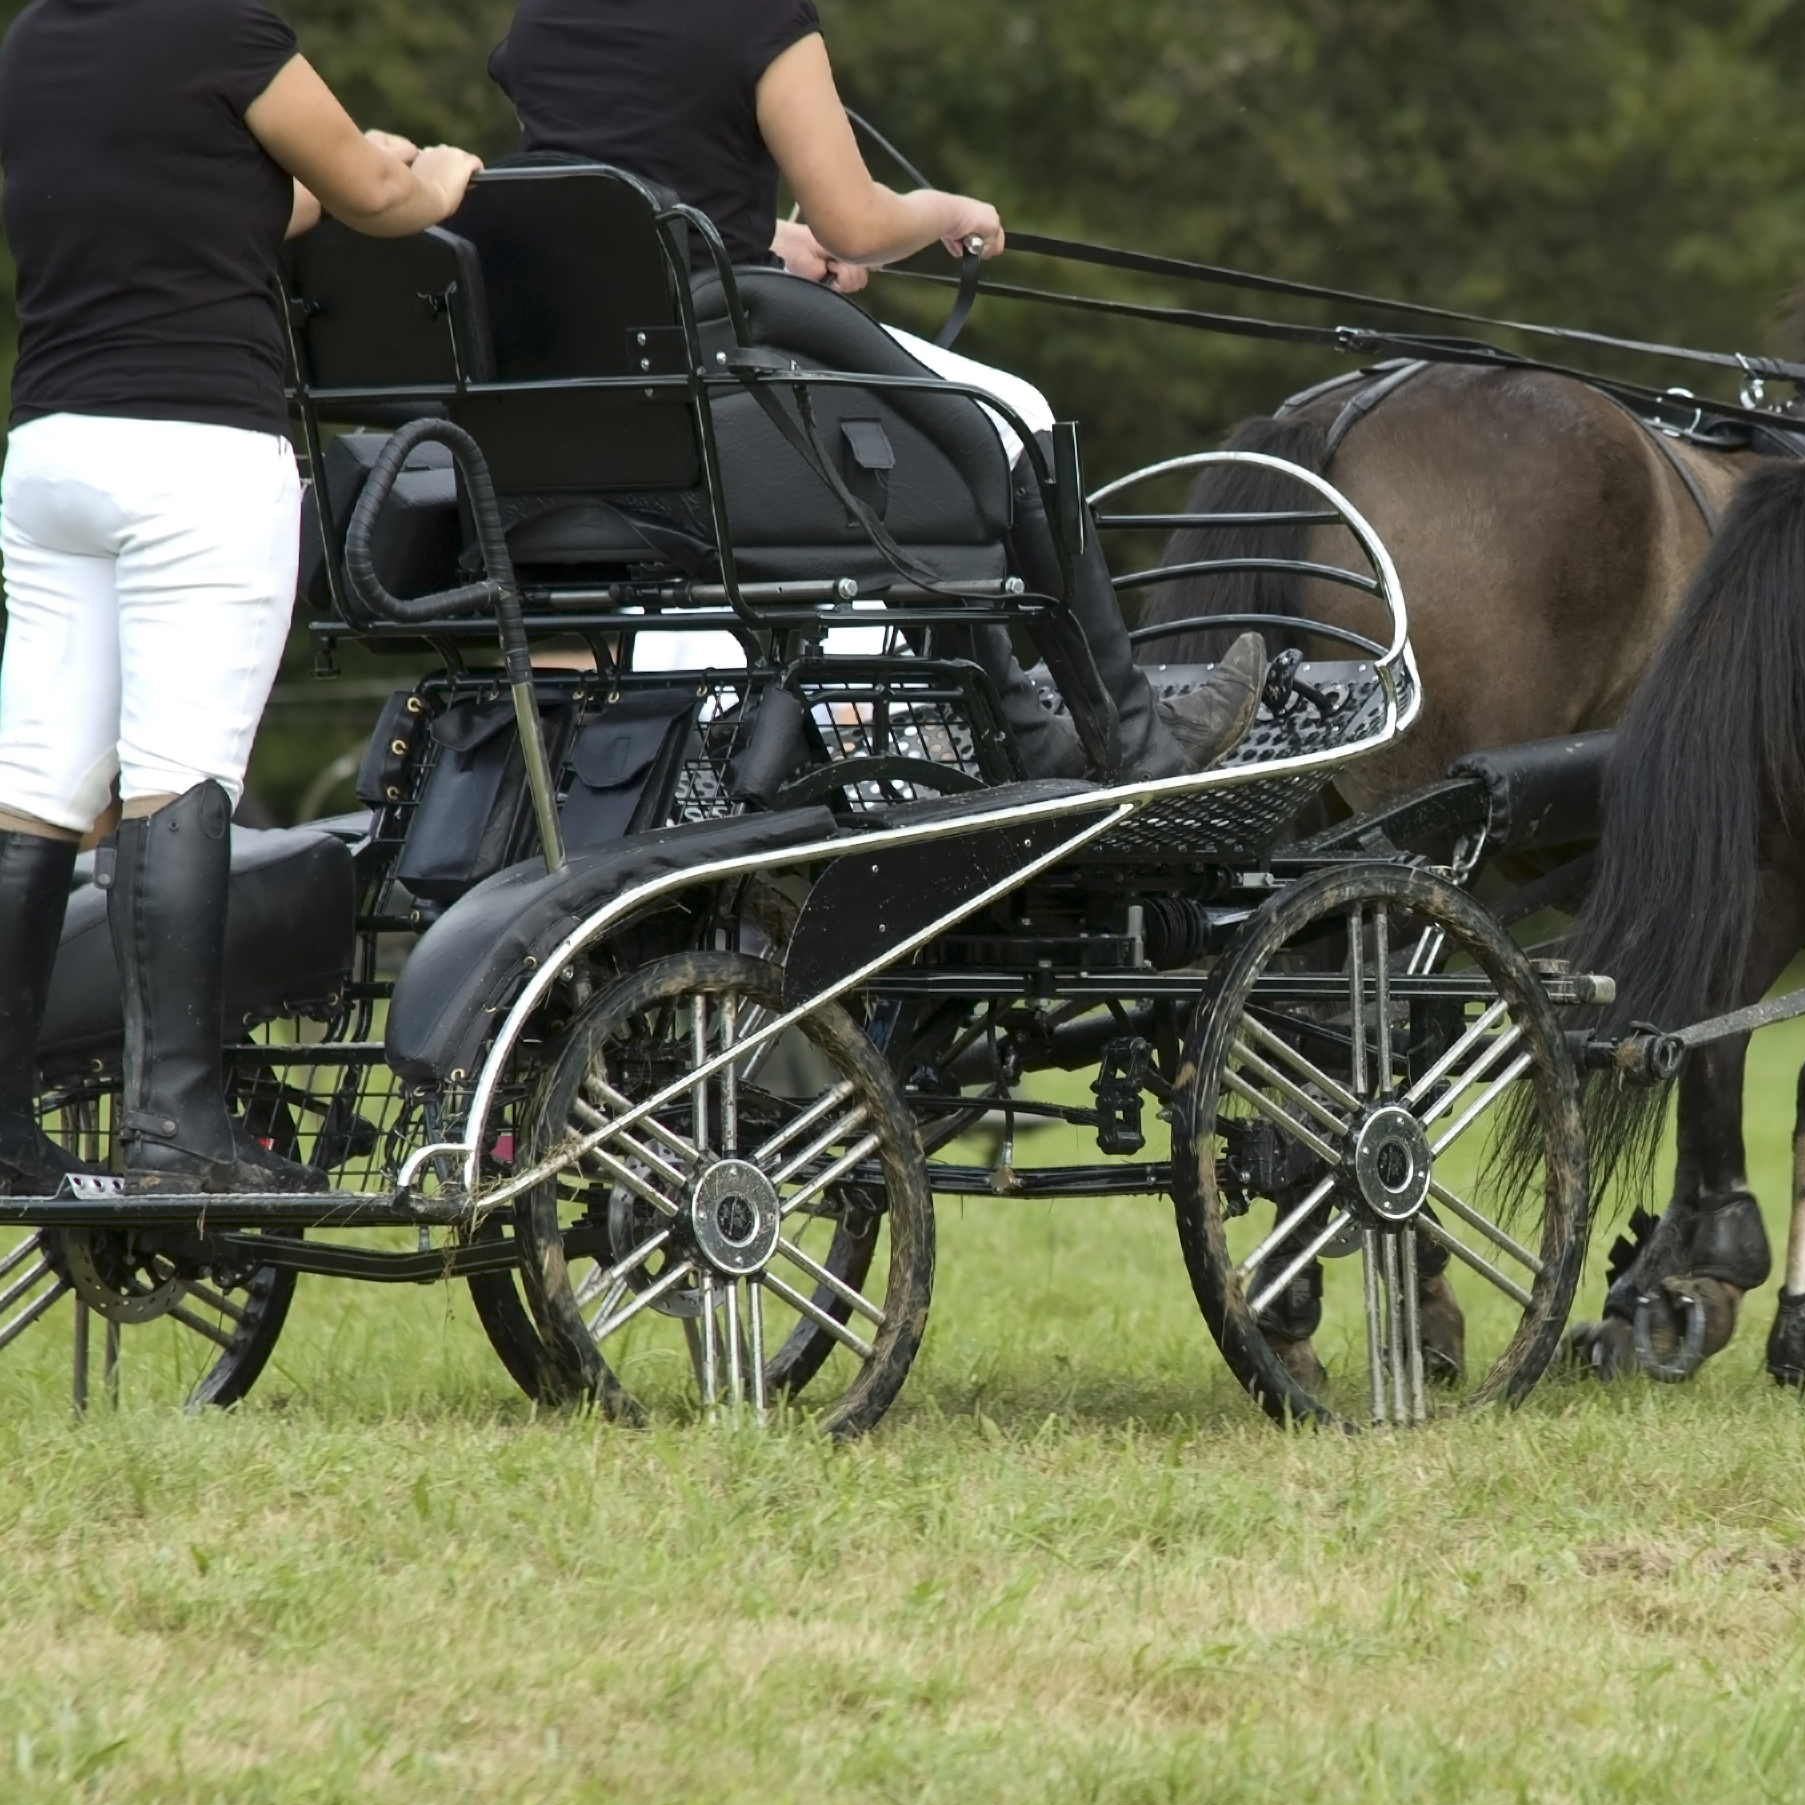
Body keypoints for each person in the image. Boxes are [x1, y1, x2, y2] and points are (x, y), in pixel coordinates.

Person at [486, 0, 1266, 783]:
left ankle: (1028, 733)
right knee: (1013, 415)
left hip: (586, 394)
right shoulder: (754, 17)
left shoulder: (544, 21)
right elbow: (855, 225)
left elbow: (618, 180)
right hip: (721, 367)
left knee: (939, 448)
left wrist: (761, 242)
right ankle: (1139, 745)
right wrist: (945, 212)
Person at [0, 0, 480, 1194]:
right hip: (197, 452)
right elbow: (372, 194)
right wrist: (445, 170)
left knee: (34, 788)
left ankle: (2, 1126)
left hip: (53, 451)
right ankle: (175, 1126)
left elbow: (239, 194)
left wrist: (343, 171)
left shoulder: (36, 43)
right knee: (183, 773)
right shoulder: (225, 33)